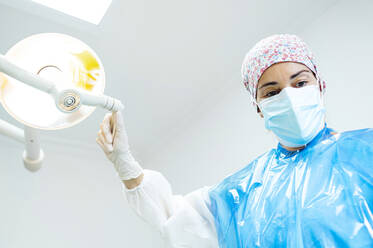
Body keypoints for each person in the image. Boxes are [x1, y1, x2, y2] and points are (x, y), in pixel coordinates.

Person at [96, 34, 373, 248]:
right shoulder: (242, 192)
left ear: (319, 87)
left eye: (300, 84)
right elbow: (175, 217)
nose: (289, 96)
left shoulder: (365, 152)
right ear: (259, 107)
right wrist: (125, 164)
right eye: (272, 92)